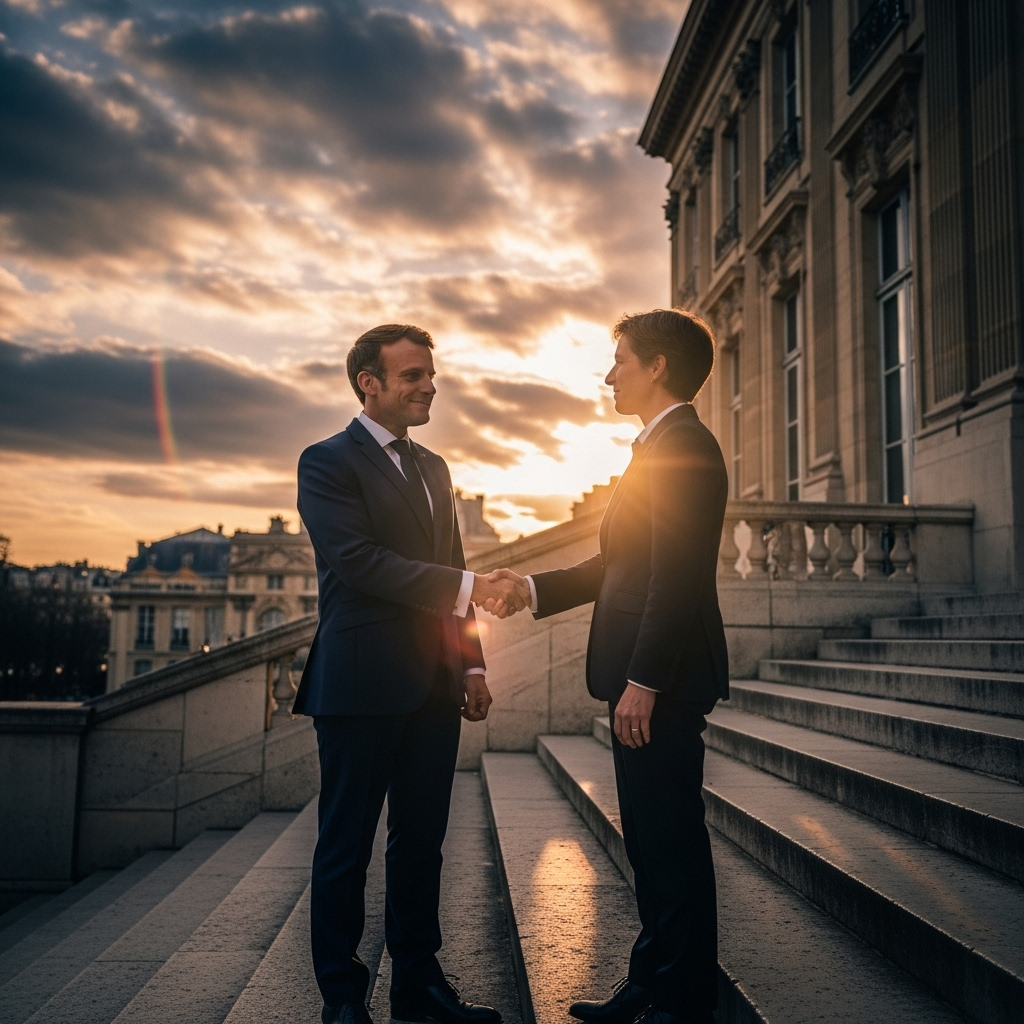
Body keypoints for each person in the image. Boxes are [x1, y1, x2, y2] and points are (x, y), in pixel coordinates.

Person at [488, 309, 729, 1024]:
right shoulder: (656, 448)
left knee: (670, 843)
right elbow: (617, 567)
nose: (609, 373)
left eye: (620, 359)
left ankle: (679, 1002)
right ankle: (653, 983)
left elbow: (677, 579)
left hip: (664, 683)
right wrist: (528, 589)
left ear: (657, 366)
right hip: (650, 678)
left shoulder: (685, 448)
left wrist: (645, 681)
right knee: (654, 845)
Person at [295, 323, 529, 1024]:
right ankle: (342, 997)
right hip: (359, 683)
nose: (430, 386)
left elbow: (452, 564)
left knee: (421, 843)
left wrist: (473, 662)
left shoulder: (436, 468)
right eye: (412, 377)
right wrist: (470, 587)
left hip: (432, 684)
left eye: (431, 375)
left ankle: (418, 987)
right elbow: (359, 563)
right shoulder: (325, 461)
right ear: (369, 382)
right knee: (346, 846)